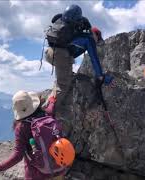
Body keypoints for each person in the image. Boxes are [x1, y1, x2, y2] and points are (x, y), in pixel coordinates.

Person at [45, 5, 113, 137]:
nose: (97, 42)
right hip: (60, 55)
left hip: (50, 52)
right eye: (98, 39)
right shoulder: (88, 38)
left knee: (63, 77)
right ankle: (48, 114)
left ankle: (51, 99)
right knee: (64, 84)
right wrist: (102, 77)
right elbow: (94, 60)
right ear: (96, 35)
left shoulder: (71, 29)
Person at [0, 90, 70, 180]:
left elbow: (17, 156)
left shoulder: (21, 128)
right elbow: (50, 110)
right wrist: (52, 101)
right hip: (58, 168)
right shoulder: (45, 115)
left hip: (37, 175)